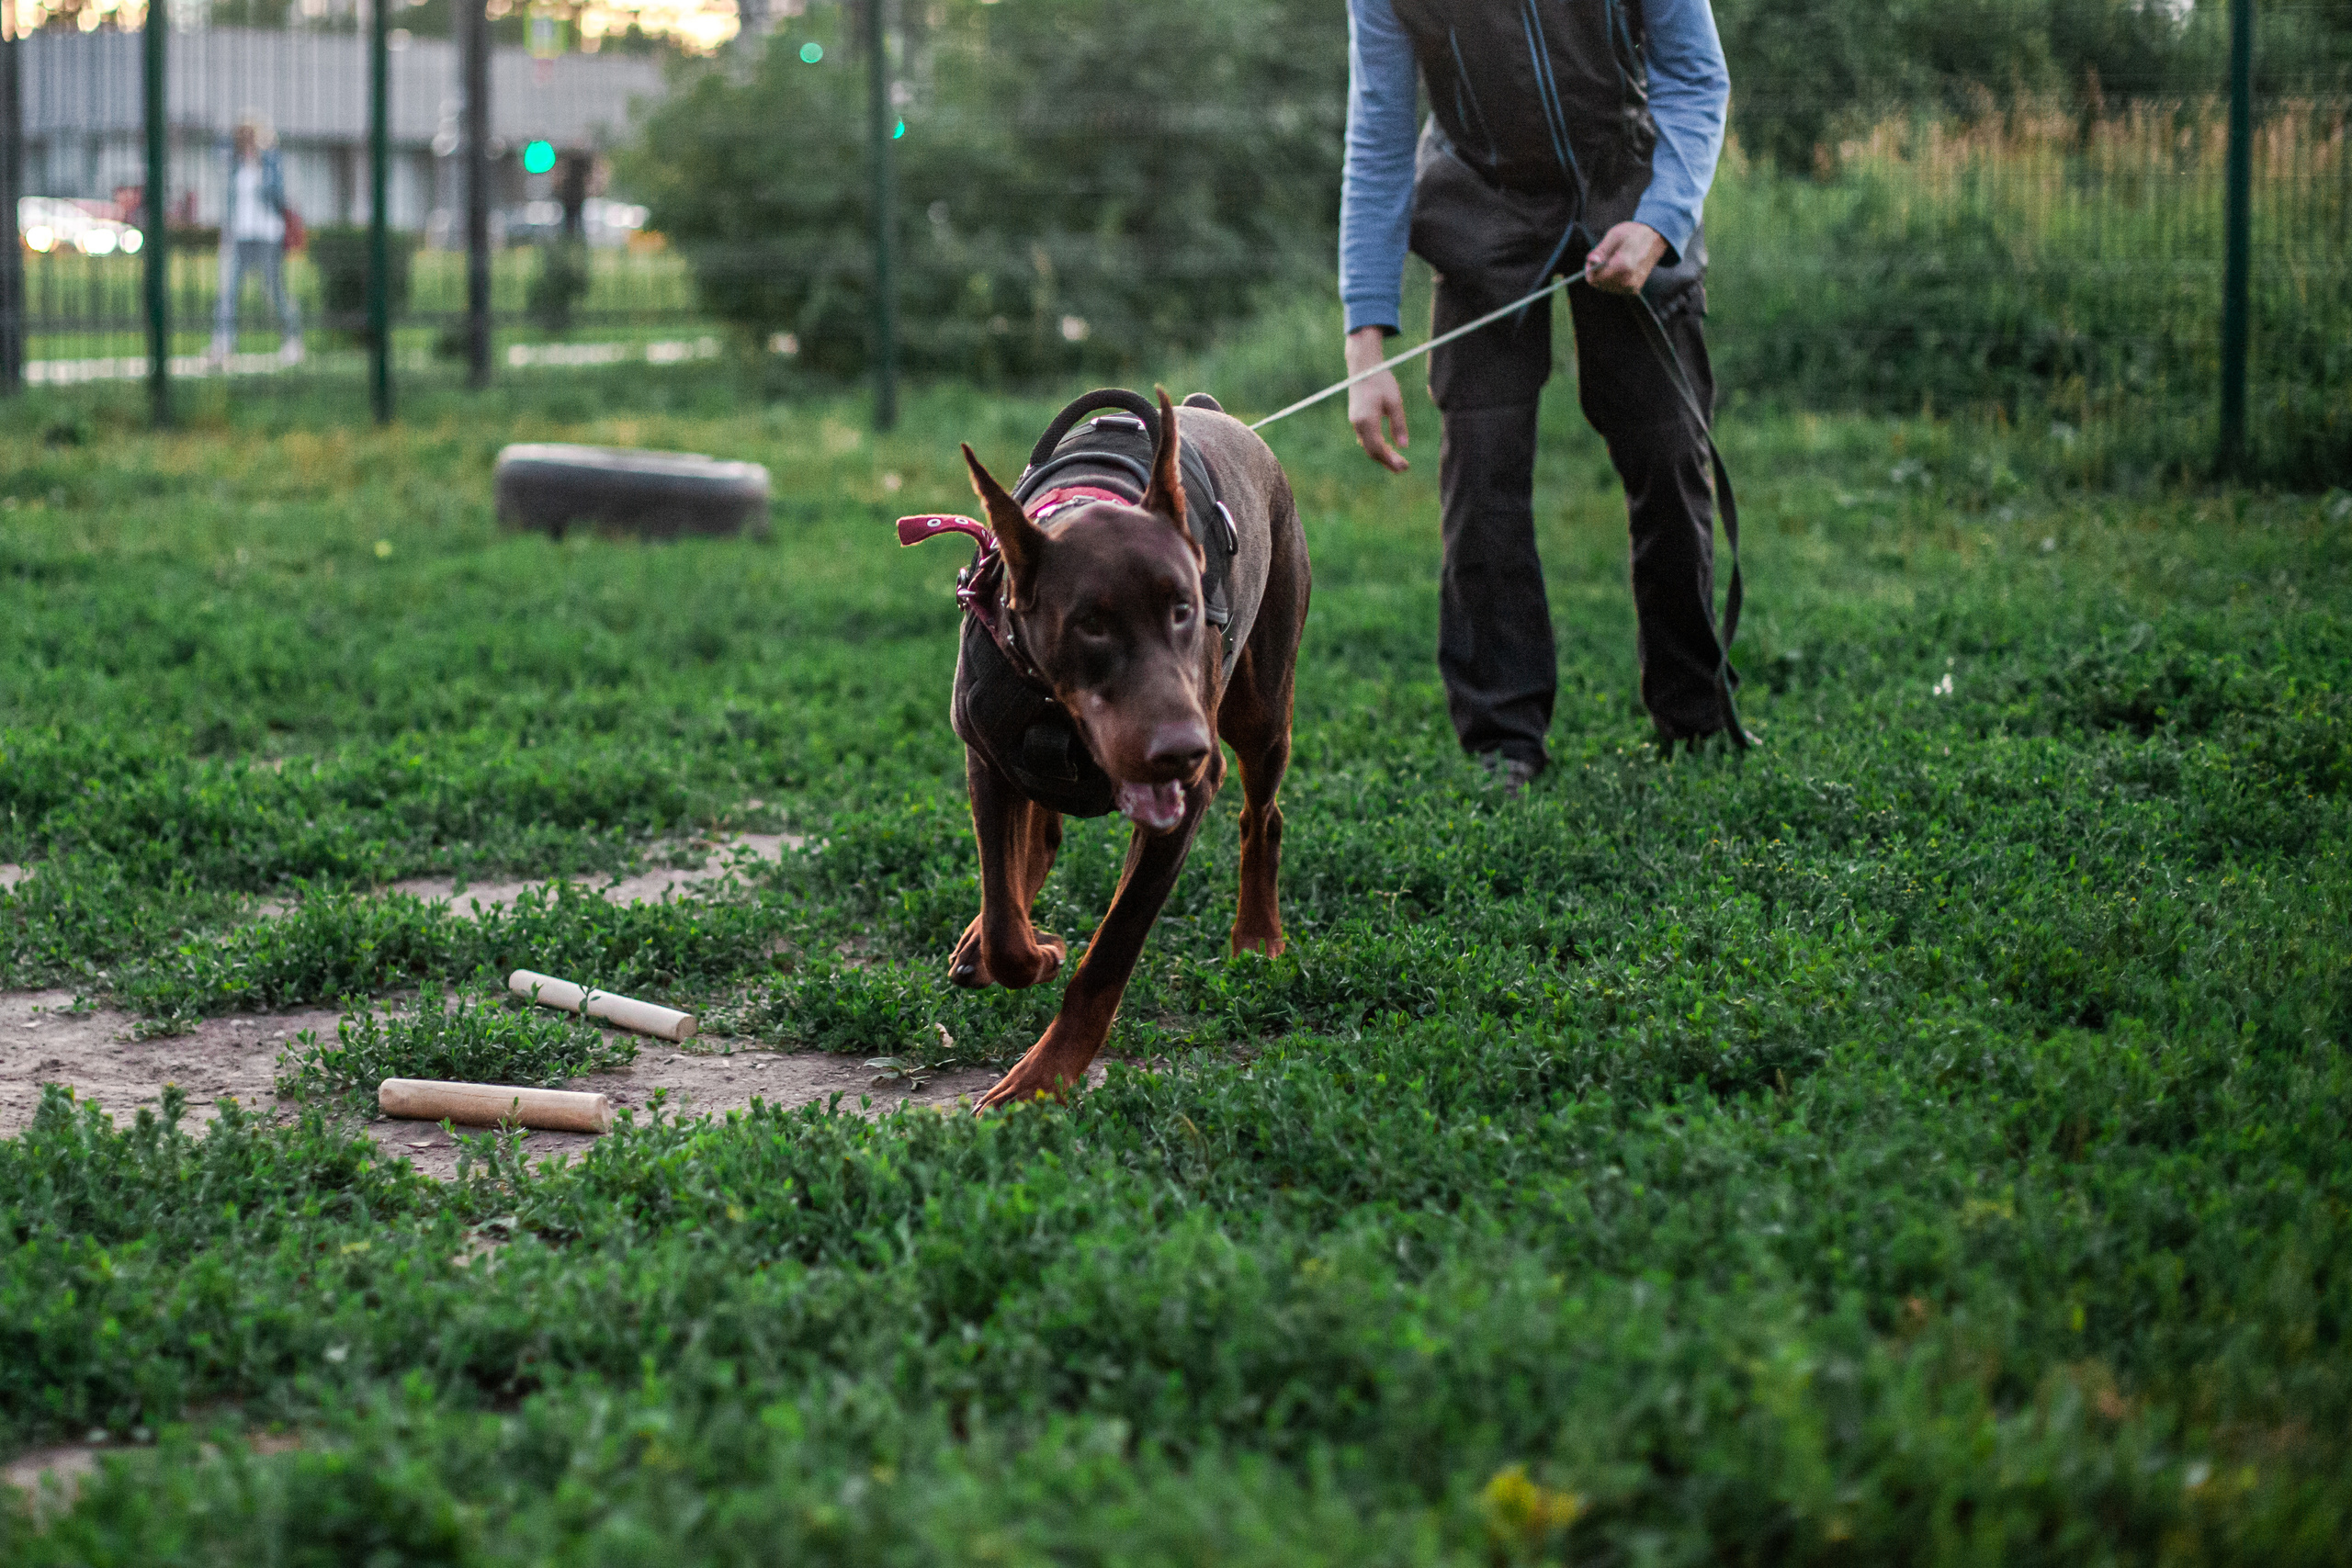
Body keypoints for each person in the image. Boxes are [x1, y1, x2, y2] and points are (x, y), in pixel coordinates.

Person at [1340, 0, 1743, 783]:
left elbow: (1696, 77)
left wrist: (1660, 222)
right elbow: (1379, 137)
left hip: (1629, 180)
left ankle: (1694, 717)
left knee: (1666, 451)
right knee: (1483, 472)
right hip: (1479, 201)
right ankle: (1504, 743)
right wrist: (1366, 344)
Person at [209, 115, 302, 369]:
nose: (249, 141)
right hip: (240, 235)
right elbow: (216, 149)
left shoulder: (271, 164)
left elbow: (278, 196)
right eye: (245, 136)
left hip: (267, 236)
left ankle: (292, 341)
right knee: (228, 291)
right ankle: (223, 344)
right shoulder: (234, 165)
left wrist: (266, 153)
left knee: (273, 291)